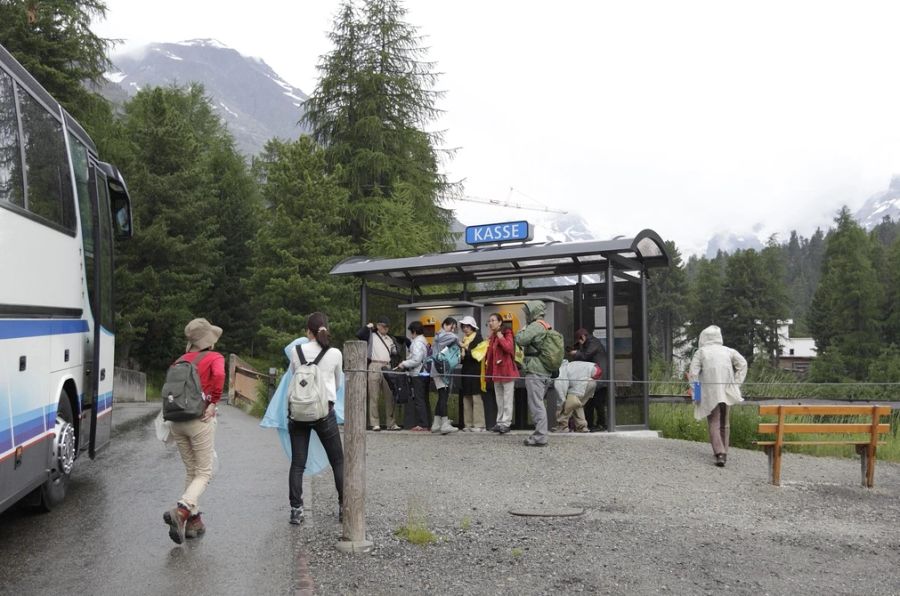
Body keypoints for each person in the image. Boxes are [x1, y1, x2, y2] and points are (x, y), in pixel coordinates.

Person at [163, 318, 225, 544]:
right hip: (199, 419)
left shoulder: (180, 360)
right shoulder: (214, 358)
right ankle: (182, 511)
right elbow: (218, 376)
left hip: (176, 420)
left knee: (191, 471)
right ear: (209, 339)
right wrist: (214, 402)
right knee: (204, 472)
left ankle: (193, 522)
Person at [285, 312, 345, 524]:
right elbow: (337, 384)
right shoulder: (335, 353)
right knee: (337, 460)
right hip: (323, 412)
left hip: (299, 412)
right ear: (325, 329)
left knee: (298, 463)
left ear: (307, 331)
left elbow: (296, 377)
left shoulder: (296, 350)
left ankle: (296, 510)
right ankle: (343, 507)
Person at [689, 325, 748, 467]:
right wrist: (736, 384)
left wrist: (696, 394)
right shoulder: (728, 351)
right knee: (725, 423)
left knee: (714, 422)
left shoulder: (701, 352)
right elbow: (743, 364)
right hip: (727, 391)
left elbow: (693, 374)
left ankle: (720, 453)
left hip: (710, 393)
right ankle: (724, 451)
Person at [514, 301, 555, 447]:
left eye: (527, 312)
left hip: (535, 370)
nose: (525, 315)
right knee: (539, 403)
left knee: (536, 404)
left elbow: (520, 339)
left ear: (533, 313)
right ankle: (540, 433)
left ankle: (540, 436)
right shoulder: (546, 325)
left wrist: (522, 330)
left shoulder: (535, 326)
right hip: (545, 370)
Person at [357, 315, 402, 431]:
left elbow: (394, 353)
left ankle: (391, 423)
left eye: (387, 327)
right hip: (374, 365)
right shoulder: (371, 335)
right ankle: (374, 423)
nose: (385, 329)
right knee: (374, 396)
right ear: (378, 326)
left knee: (390, 396)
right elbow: (359, 335)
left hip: (387, 365)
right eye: (383, 327)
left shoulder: (390, 339)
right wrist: (367, 327)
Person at [485, 313, 519, 434]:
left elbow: (509, 348)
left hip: (507, 371)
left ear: (500, 322)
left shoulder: (507, 332)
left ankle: (506, 423)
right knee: (499, 399)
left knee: (507, 399)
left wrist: (500, 336)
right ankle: (499, 422)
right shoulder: (492, 336)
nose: (490, 323)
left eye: (493, 320)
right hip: (496, 372)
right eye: (489, 321)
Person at [569, 328, 608, 431]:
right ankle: (590, 424)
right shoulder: (589, 343)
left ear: (582, 337)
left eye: (579, 341)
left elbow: (585, 356)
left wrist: (575, 353)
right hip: (596, 377)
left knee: (598, 403)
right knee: (589, 402)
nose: (579, 344)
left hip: (601, 378)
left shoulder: (593, 342)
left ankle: (602, 424)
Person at [396, 320, 430, 431]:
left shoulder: (417, 343)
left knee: (419, 399)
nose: (411, 334)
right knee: (424, 399)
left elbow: (416, 359)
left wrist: (404, 363)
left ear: (414, 331)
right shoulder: (424, 341)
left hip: (417, 373)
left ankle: (422, 424)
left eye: (411, 332)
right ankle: (425, 422)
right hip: (424, 373)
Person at [552, 360, 602, 433]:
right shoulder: (570, 365)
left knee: (569, 404)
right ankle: (582, 427)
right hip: (592, 381)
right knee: (577, 404)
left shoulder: (561, 371)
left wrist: (560, 406)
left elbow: (561, 391)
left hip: (582, 383)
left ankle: (563, 426)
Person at [430, 317, 460, 434]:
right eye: (451, 327)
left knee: (442, 396)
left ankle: (436, 423)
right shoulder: (442, 335)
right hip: (440, 370)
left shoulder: (439, 336)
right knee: (443, 396)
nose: (452, 330)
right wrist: (459, 340)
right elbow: (454, 337)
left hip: (438, 370)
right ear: (445, 325)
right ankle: (445, 423)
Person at [458, 316, 485, 432]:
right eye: (463, 326)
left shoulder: (478, 339)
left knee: (476, 397)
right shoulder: (464, 339)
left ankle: (479, 424)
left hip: (476, 370)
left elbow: (477, 355)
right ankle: (468, 424)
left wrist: (465, 349)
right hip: (466, 370)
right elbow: (463, 358)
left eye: (467, 326)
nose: (465, 328)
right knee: (466, 397)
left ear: (473, 327)